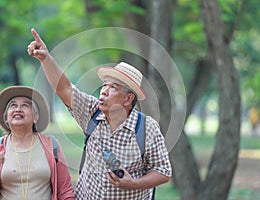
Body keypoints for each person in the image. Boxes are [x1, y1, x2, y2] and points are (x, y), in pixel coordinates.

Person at [27, 28, 172, 199]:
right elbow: (65, 88)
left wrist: (132, 183)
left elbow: (163, 171)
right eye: (104, 85)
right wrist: (45, 58)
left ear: (128, 99)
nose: (104, 91)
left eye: (113, 88)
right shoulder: (92, 113)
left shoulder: (147, 128)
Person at [0, 86, 75, 200]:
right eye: (13, 105)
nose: (18, 109)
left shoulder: (51, 145)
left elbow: (65, 190)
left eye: (25, 105)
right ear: (6, 118)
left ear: (36, 117)